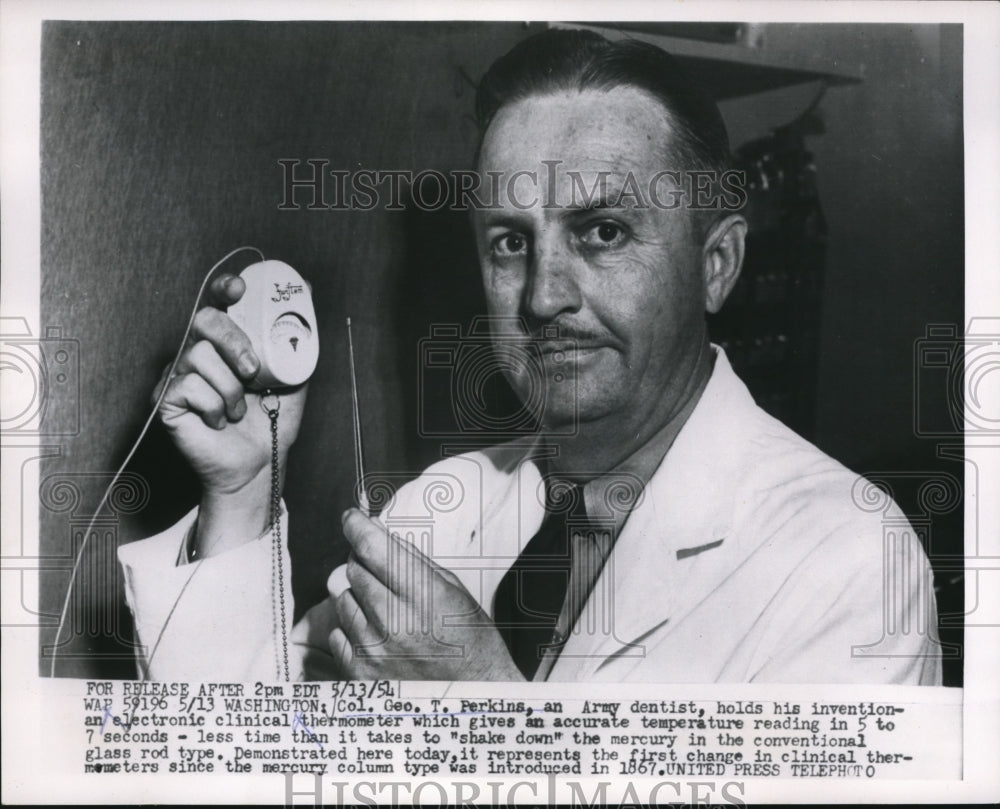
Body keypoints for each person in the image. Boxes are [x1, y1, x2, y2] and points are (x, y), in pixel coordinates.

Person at [117, 29, 942, 684]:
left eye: (603, 232)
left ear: (715, 265)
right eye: (511, 241)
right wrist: (243, 492)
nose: (544, 296)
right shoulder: (440, 509)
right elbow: (241, 772)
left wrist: (476, 701)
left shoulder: (847, 557)